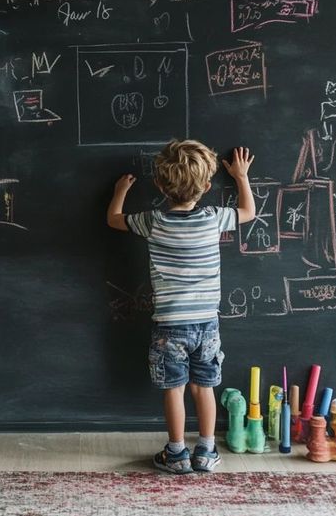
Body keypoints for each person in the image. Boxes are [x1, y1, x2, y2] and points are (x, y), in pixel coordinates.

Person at [107, 140, 255, 474]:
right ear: (206, 186)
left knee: (174, 389)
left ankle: (176, 454)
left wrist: (120, 190)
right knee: (204, 386)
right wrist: (241, 176)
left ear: (160, 185)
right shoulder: (214, 218)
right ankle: (205, 451)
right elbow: (248, 213)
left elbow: (114, 219)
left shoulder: (153, 222)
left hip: (169, 325)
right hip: (206, 324)